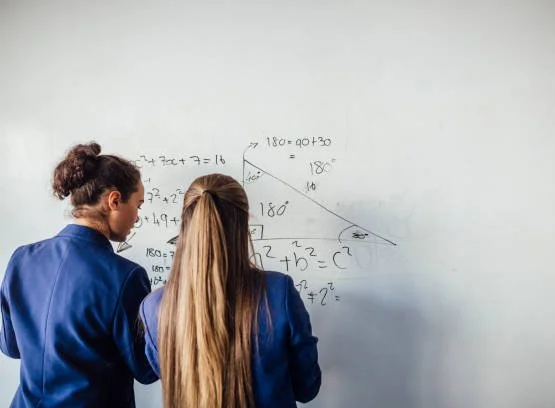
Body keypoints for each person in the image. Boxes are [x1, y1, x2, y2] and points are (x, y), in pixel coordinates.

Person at [139, 173, 321, 408]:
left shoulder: (154, 308)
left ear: (185, 226)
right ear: (244, 225)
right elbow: (307, 388)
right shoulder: (279, 293)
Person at [0, 142, 157, 407]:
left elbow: (10, 346)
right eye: (138, 205)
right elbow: (146, 368)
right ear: (114, 200)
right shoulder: (125, 277)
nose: (137, 217)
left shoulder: (21, 259)